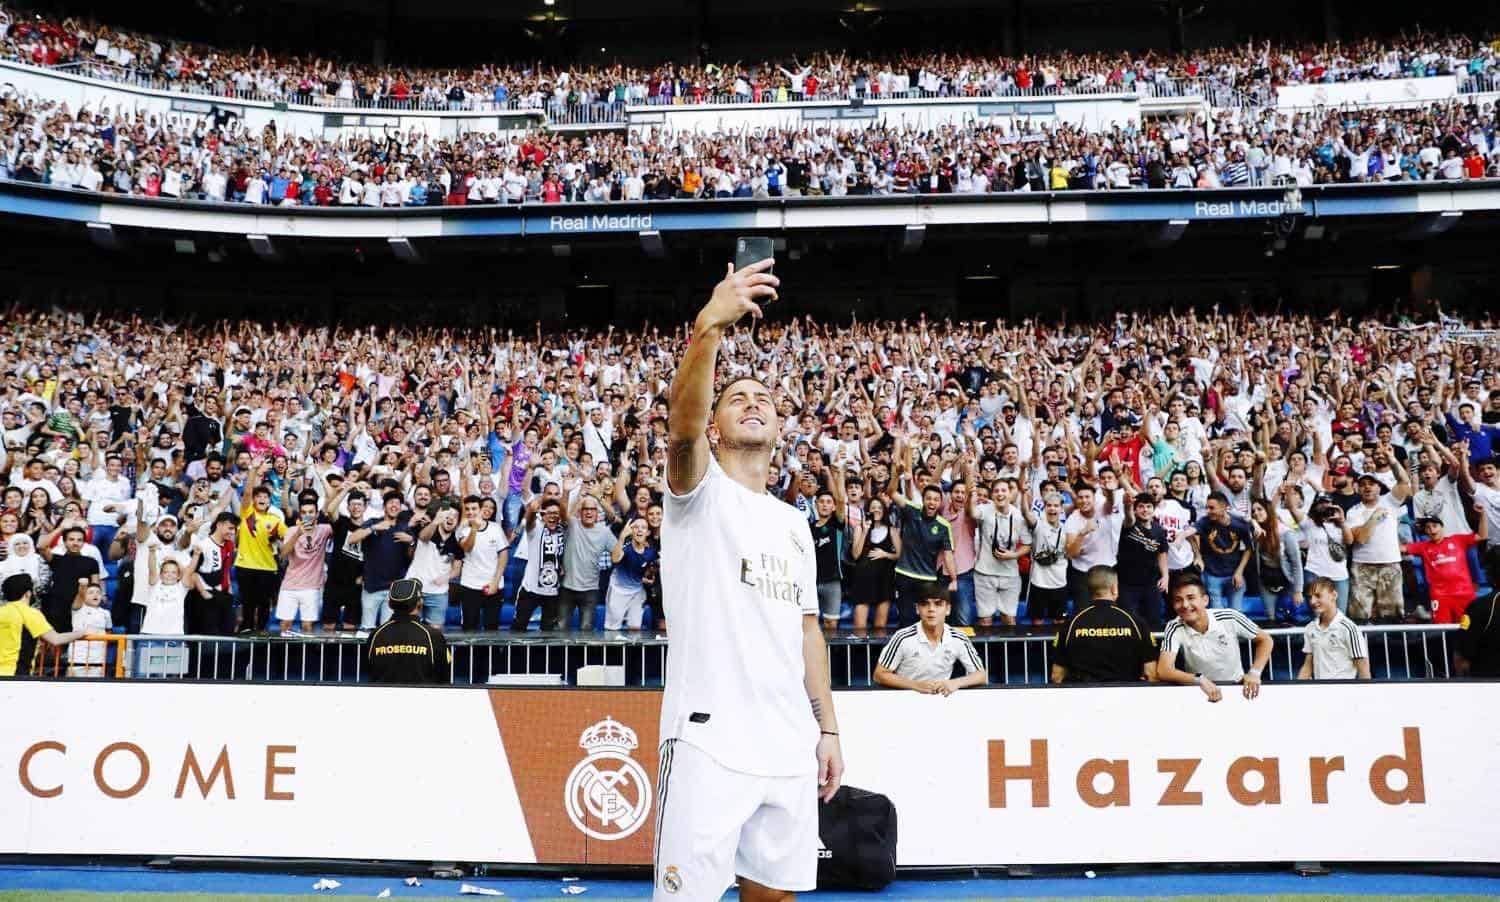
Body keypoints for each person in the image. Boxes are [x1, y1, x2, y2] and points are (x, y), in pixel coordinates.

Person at [655, 259, 841, 902]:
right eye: (737, 397)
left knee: (776, 897)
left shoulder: (795, 522)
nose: (753, 401)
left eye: (764, 398)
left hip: (788, 740)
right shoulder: (695, 492)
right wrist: (708, 326)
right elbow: (681, 426)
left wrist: (829, 729)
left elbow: (808, 630)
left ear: (780, 427)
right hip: (710, 738)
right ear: (717, 425)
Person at [1156, 574, 1273, 702]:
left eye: (1191, 598)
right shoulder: (1174, 626)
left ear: (1205, 600)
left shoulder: (1230, 616)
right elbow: (1163, 670)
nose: (1185, 604)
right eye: (1178, 600)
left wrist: (1255, 673)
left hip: (1237, 689)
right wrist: (1199, 679)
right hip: (1200, 692)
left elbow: (1266, 640)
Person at [1050, 565, 1157, 684]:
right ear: (1114, 588)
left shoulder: (1071, 624)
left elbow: (1056, 676)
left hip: (1082, 697)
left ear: (1089, 589)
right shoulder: (1136, 622)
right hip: (1125, 696)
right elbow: (1150, 674)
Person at [872, 590, 987, 693]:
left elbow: (981, 675)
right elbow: (879, 674)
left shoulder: (959, 637)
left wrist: (955, 683)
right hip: (905, 698)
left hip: (940, 698)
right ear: (917, 609)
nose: (931, 609)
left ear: (948, 609)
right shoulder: (902, 637)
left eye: (938, 604)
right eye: (924, 604)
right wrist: (915, 686)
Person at [1343, 466, 1412, 622]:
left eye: (1371, 483)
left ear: (1379, 487)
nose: (1367, 487)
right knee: (1359, 614)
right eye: (1363, 484)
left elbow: (1404, 480)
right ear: (1358, 489)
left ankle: (1392, 645)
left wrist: (1392, 460)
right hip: (1362, 566)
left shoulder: (1390, 501)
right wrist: (1374, 517)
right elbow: (1360, 538)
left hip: (1390, 563)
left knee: (1392, 614)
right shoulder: (1353, 511)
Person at [1403, 513, 1486, 625]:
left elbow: (1482, 536)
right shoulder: (1423, 546)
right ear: (1425, 532)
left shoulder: (1458, 539)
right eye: (1428, 527)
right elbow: (1401, 548)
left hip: (1464, 594)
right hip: (1440, 596)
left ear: (1442, 526)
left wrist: (1482, 515)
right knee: (1441, 631)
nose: (1432, 530)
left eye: (1434, 525)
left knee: (1469, 628)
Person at [365, 577, 451, 684]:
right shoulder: (433, 636)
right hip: (424, 698)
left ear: (389, 604)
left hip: (384, 698)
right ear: (419, 603)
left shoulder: (376, 635)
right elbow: (444, 677)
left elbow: (370, 671)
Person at [0, 573, 81, 677]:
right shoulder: (30, 613)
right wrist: (81, 633)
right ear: (28, 593)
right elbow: (56, 639)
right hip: (16, 675)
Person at [559, 492, 616, 631]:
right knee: (561, 628)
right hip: (567, 587)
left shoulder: (604, 532)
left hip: (590, 590)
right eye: (585, 509)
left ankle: (581, 654)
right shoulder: (573, 524)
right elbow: (562, 512)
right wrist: (567, 491)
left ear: (597, 513)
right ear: (580, 511)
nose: (589, 512)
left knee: (586, 629)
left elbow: (617, 554)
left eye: (592, 509)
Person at [1191, 491, 1254, 612]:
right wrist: (1197, 556)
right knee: (1217, 615)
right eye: (1207, 508)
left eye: (1212, 508)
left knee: (1236, 614)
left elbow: (1249, 548)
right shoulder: (1205, 521)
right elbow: (1191, 534)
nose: (1208, 511)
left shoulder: (1239, 524)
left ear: (1224, 507)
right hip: (1212, 574)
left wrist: (1239, 572)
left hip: (1234, 573)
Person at [1297, 576, 1371, 680]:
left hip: (1343, 692)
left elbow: (1363, 666)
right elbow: (1308, 665)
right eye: (1310, 597)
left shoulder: (1349, 628)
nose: (1312, 601)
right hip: (1320, 692)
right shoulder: (1311, 628)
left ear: (1334, 595)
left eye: (1318, 596)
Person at [277, 498, 332, 635]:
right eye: (304, 512)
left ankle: (304, 655)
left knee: (307, 627)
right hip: (290, 585)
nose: (307, 515)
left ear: (317, 514)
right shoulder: (292, 530)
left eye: (311, 512)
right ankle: (284, 655)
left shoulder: (325, 529)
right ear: (300, 515)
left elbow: (335, 516)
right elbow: (283, 554)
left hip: (312, 587)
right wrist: (298, 534)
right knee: (285, 625)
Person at [456, 494, 508, 631]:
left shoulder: (495, 528)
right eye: (467, 509)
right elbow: (467, 547)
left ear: (480, 510)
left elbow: (503, 555)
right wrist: (474, 528)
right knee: (469, 627)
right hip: (470, 585)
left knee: (492, 628)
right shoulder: (462, 530)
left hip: (493, 585)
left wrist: (495, 583)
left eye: (474, 508)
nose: (470, 512)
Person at [606, 518, 657, 631]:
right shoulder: (625, 548)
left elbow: (646, 572)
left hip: (637, 592)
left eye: (643, 527)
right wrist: (622, 537)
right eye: (636, 527)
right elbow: (615, 559)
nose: (639, 530)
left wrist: (647, 578)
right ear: (631, 530)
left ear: (648, 532)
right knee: (612, 629)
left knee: (635, 628)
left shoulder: (650, 553)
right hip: (618, 591)